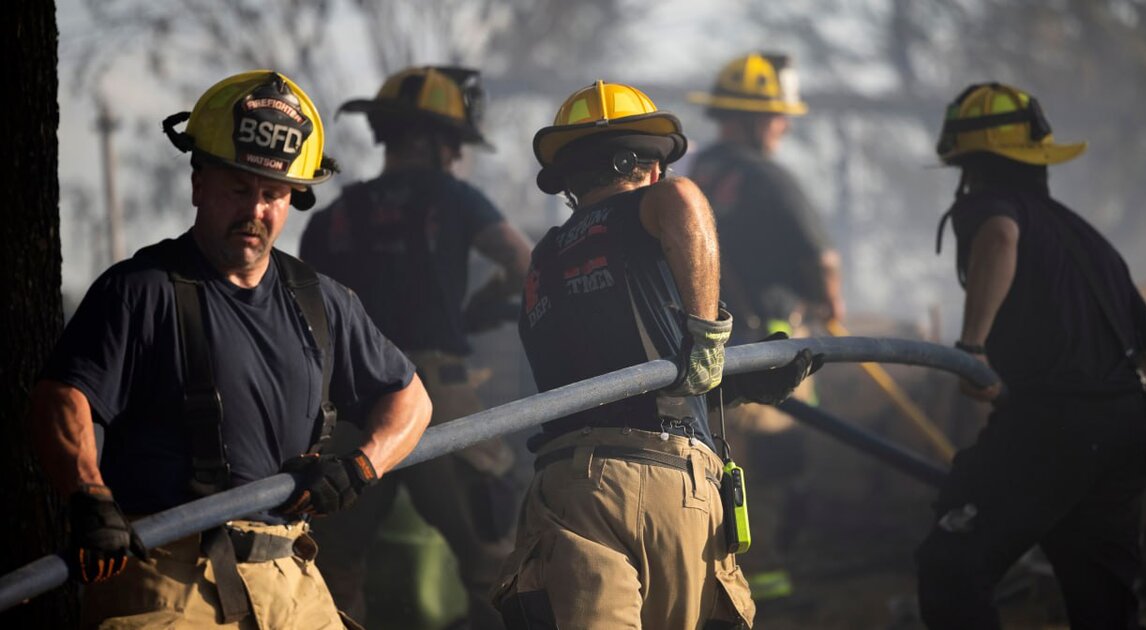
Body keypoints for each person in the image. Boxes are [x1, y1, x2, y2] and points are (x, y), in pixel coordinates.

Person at [29, 70, 432, 629]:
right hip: (169, 580)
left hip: (292, 579)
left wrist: (363, 465)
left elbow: (410, 399)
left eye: (273, 195)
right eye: (239, 189)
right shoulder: (140, 291)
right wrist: (89, 497)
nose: (256, 211)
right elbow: (64, 397)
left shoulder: (324, 302)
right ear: (199, 187)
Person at [491, 79, 812, 629]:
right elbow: (683, 200)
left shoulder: (545, 259)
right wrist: (710, 339)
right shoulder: (660, 201)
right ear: (648, 165)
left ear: (568, 179)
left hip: (567, 488)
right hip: (669, 477)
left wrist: (737, 382)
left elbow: (610, 364)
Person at [916, 82, 1146, 629]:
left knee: (951, 565)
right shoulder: (1088, 238)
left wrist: (973, 348)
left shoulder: (989, 206)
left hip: (1052, 423)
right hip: (1126, 431)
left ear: (968, 162)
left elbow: (1001, 239)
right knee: (1102, 602)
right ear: (1038, 158)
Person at [300, 66, 531, 629]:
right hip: (436, 398)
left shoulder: (332, 219)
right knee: (499, 562)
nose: (456, 157)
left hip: (347, 406)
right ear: (436, 140)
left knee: (332, 574)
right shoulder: (454, 197)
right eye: (454, 144)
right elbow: (524, 263)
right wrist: (478, 308)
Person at [686, 51, 839, 604]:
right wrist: (831, 310)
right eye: (778, 115)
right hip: (771, 355)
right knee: (772, 473)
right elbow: (821, 262)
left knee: (722, 467)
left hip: (704, 356)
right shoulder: (769, 178)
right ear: (752, 118)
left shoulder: (695, 175)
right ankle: (767, 590)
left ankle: (724, 582)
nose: (786, 125)